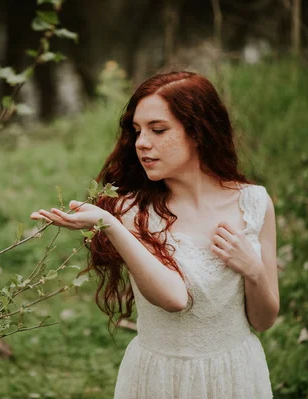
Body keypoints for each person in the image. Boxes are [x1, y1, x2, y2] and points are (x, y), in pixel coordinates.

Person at [30, 71, 279, 398]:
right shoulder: (135, 212)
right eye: (137, 131)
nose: (141, 143)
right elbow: (174, 299)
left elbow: (262, 320)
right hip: (162, 378)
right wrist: (112, 226)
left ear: (198, 132)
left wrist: (253, 269)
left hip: (235, 373)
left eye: (158, 130)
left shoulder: (254, 203)